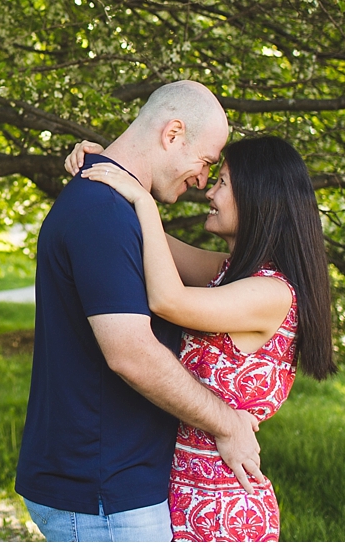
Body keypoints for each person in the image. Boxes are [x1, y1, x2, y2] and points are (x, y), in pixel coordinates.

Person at [16, 81, 265, 542]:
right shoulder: (103, 213)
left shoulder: (116, 208)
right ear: (173, 134)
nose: (203, 182)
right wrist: (228, 423)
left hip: (109, 486)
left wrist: (113, 174)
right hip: (100, 493)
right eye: (207, 163)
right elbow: (130, 353)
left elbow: (219, 277)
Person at [72, 133, 336, 541]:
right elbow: (146, 239)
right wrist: (104, 164)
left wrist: (142, 200)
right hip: (184, 495)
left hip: (221, 510)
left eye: (223, 182)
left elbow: (166, 300)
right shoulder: (229, 274)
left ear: (257, 197)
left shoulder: (271, 293)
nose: (208, 192)